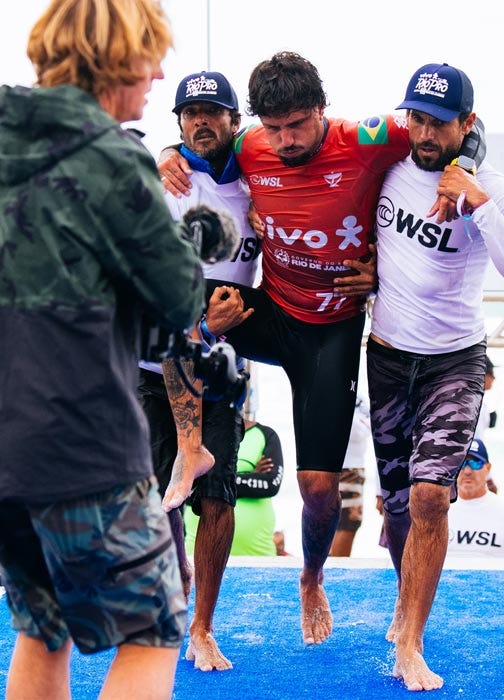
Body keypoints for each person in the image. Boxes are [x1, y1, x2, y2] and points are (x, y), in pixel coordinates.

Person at [0, 1, 204, 697]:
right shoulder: (111, 158)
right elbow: (180, 303)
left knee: (41, 625)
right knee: (152, 629)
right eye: (150, 55)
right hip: (80, 446)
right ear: (116, 60)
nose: (159, 73)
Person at [158, 50, 416, 647]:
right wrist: (168, 157)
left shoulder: (366, 137)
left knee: (319, 489)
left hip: (331, 332)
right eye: (272, 128)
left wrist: (381, 265)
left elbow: (452, 131)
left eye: (296, 125)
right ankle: (191, 446)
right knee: (180, 295)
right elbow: (196, 147)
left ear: (321, 112)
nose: (284, 140)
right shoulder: (248, 145)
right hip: (271, 314)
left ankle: (311, 575)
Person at [367, 62, 504, 691]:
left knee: (431, 495)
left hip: (455, 360)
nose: (423, 132)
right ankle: (404, 603)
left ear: (466, 124)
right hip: (386, 355)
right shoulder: (386, 164)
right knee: (394, 507)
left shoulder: (491, 186)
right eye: (416, 117)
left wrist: (477, 199)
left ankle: (411, 640)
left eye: (438, 122)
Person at [137, 68, 257, 673]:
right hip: (149, 364)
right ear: (178, 123)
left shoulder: (259, 187)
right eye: (189, 113)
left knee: (217, 500)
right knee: (162, 505)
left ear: (235, 120)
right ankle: (176, 598)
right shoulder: (162, 183)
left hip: (222, 369)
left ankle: (204, 626)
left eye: (213, 111)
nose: (200, 121)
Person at [185, 418, 285, 556]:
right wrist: (250, 476)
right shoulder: (192, 435)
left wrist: (210, 482)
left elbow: (271, 484)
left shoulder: (266, 435)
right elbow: (186, 489)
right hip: (197, 553)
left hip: (258, 555)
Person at [446, 438, 504, 561]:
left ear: (488, 468)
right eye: (462, 464)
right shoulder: (438, 512)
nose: (467, 471)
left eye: (475, 463)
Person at [331, 396, 372, 557]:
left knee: (349, 523)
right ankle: (332, 571)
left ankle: (331, 568)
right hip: (336, 466)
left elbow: (362, 431)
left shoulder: (360, 395)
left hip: (353, 467)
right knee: (341, 522)